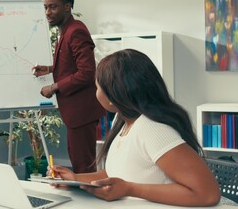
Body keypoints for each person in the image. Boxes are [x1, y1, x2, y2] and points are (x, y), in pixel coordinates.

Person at [50, 49, 221, 207]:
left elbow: (207, 193)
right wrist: (75, 179)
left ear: (113, 95)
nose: (95, 93)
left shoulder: (152, 129)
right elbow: (116, 174)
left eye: (97, 87)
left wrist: (130, 189)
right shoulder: (124, 121)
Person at [32, 0, 105, 173]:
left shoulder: (76, 31)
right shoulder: (65, 30)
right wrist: (49, 69)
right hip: (75, 114)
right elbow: (71, 64)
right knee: (79, 162)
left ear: (67, 6)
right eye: (45, 7)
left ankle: (89, 202)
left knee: (84, 167)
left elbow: (87, 72)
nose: (48, 12)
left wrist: (54, 87)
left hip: (82, 113)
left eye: (53, 7)